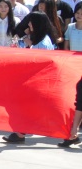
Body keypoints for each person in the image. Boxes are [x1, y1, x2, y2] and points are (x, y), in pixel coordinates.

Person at [5, 12, 60, 144]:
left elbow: (42, 63)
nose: (29, 24)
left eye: (31, 22)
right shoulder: (38, 39)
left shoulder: (44, 43)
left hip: (39, 81)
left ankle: (70, 134)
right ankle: (20, 133)